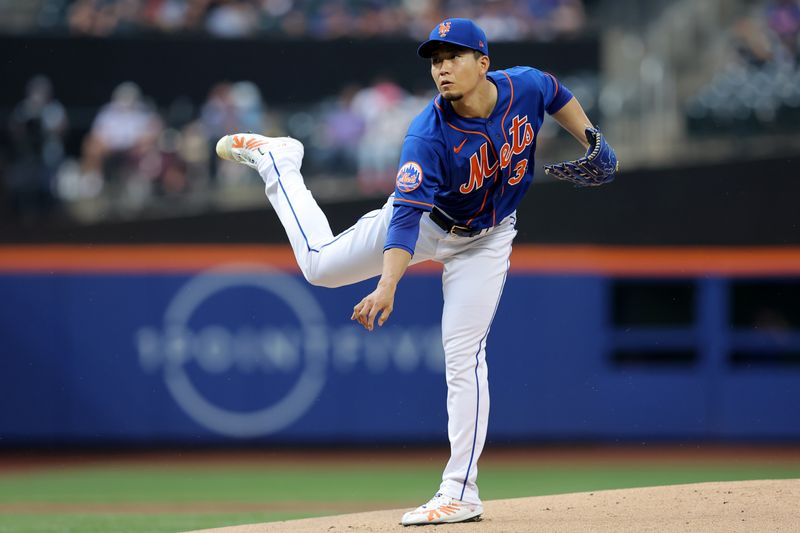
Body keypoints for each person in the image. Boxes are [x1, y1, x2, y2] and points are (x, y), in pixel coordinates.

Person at [216, 18, 617, 526]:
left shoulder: (525, 85)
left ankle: (460, 492)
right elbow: (404, 219)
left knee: (464, 355)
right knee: (318, 267)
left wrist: (591, 137)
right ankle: (279, 161)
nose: (442, 67)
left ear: (483, 63)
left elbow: (557, 93)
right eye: (435, 59)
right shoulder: (427, 135)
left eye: (453, 56)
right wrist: (388, 284)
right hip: (427, 224)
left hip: (489, 237)